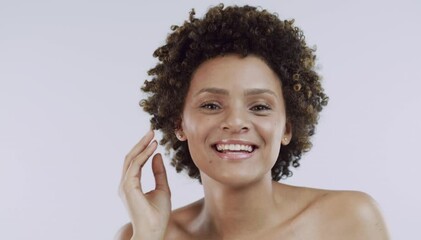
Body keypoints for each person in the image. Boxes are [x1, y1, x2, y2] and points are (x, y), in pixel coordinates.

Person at [116, 4, 389, 240]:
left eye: (259, 107)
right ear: (180, 124)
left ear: (287, 127)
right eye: (211, 105)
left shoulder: (349, 220)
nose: (235, 122)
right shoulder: (142, 234)